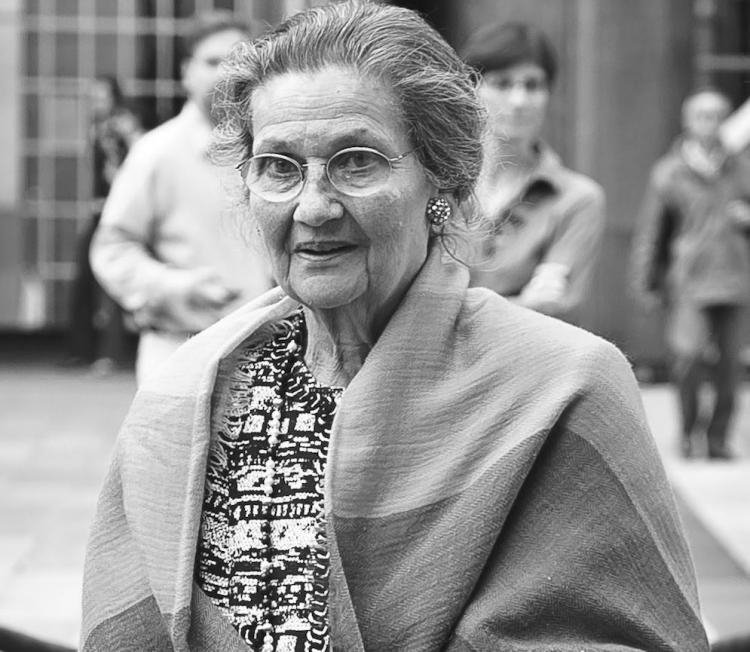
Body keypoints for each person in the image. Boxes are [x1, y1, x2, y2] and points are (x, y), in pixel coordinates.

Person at [80, 3, 709, 650]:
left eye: (356, 162)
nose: (314, 207)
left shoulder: (563, 391)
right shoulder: (184, 397)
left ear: (442, 178)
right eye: (278, 167)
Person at [90, 12, 273, 384]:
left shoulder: (275, 152)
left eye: (239, 61)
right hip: (181, 353)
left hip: (270, 352)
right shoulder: (156, 152)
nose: (226, 73)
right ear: (186, 72)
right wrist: (177, 287)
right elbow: (111, 250)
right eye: (212, 61)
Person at [631, 88, 750, 460]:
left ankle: (718, 437)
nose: (710, 124)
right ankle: (687, 430)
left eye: (717, 116)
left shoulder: (741, 168)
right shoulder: (670, 172)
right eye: (702, 116)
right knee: (688, 358)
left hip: (735, 279)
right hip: (690, 283)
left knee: (730, 366)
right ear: (688, 121)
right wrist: (645, 281)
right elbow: (652, 232)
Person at [462, 22, 605, 325]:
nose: (519, 101)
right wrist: (521, 302)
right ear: (471, 89)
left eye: (532, 85)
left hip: (523, 363)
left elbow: (550, 312)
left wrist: (452, 310)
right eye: (501, 83)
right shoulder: (438, 184)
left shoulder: (576, 199)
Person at [65, 76, 143, 371]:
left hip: (118, 213)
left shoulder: (123, 125)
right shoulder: (96, 128)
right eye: (93, 97)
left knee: (112, 285)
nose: (96, 102)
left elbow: (138, 158)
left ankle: (109, 355)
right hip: (99, 212)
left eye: (101, 96)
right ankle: (80, 351)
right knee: (83, 281)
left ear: (114, 97)